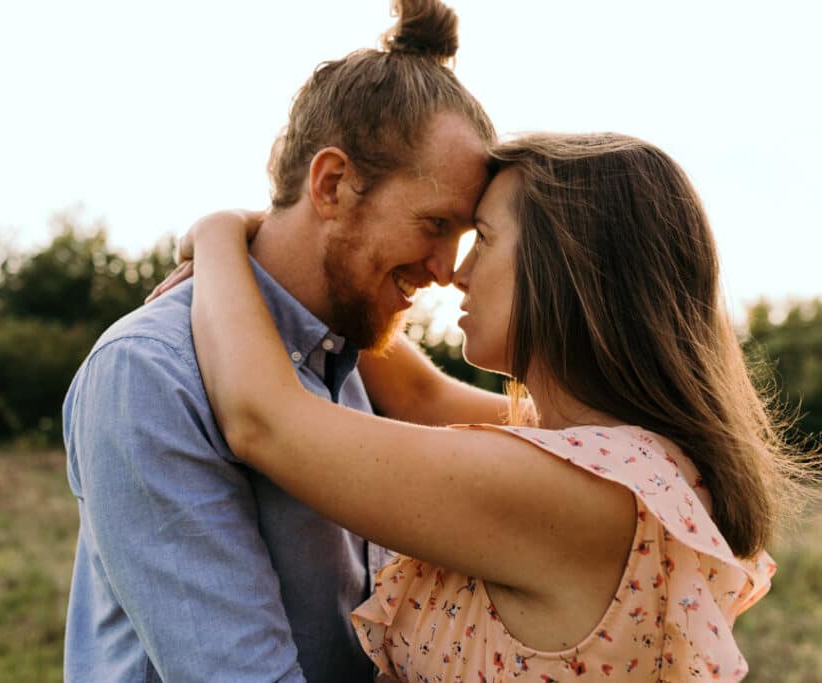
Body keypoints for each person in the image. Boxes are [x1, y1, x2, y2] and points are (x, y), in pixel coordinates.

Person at [179, 133, 817, 681]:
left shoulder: (579, 492)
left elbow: (264, 423)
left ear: (569, 267)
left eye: (483, 237)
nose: (456, 272)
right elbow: (415, 395)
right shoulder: (625, 463)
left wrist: (218, 234)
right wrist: (316, 249)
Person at [60, 1, 500, 680]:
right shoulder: (150, 371)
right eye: (435, 224)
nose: (446, 270)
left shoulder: (352, 359)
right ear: (331, 185)